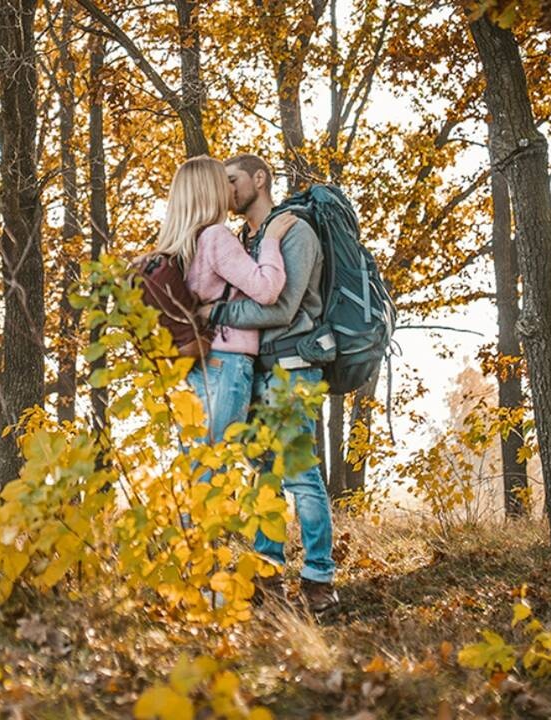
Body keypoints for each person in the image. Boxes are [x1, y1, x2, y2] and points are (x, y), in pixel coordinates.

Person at [208, 153, 339, 617]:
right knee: (263, 476)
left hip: (295, 368)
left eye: (233, 180)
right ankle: (268, 577)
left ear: (259, 180)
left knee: (301, 477)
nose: (227, 190)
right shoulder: (247, 240)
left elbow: (282, 309)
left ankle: (319, 580)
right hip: (257, 371)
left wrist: (216, 316)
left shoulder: (295, 231)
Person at [152, 156, 298, 448]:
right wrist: (270, 239)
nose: (229, 191)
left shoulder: (178, 244)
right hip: (226, 362)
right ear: (211, 190)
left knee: (200, 470)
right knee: (217, 469)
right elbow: (267, 290)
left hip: (197, 366)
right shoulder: (216, 237)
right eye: (224, 183)